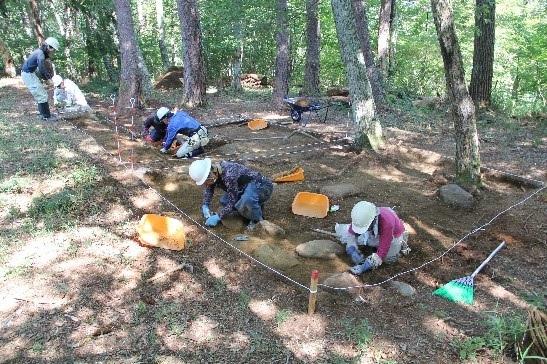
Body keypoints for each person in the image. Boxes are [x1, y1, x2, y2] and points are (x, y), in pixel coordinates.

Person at [188, 158, 273, 228]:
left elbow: (232, 201)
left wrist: (219, 216)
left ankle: (257, 220)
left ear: (210, 174)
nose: (205, 184)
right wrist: (205, 205)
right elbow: (209, 188)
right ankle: (250, 208)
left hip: (262, 186)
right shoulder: (215, 171)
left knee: (247, 201)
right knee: (224, 202)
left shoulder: (229, 175)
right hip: (242, 187)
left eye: (206, 181)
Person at [335, 201, 411, 275]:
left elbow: (383, 250)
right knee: (358, 238)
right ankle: (374, 240)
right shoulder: (361, 216)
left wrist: (364, 266)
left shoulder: (387, 224)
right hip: (377, 228)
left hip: (393, 233)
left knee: (389, 259)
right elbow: (351, 232)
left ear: (373, 219)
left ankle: (402, 236)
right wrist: (351, 248)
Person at [21, 37, 60, 121]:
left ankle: (43, 113)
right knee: (41, 95)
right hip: (28, 74)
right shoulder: (41, 54)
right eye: (53, 49)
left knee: (41, 93)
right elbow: (42, 68)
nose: (53, 51)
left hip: (29, 73)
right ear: (49, 47)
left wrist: (46, 78)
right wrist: (48, 79)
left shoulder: (39, 52)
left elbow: (41, 68)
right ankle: (46, 116)